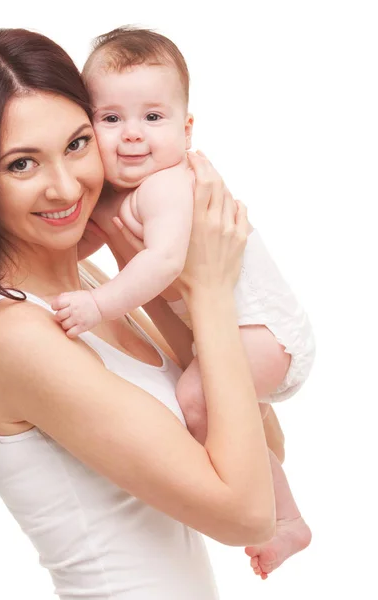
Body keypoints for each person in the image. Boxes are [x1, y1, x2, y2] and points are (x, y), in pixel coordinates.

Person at [0, 28, 280, 599]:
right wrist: (212, 293)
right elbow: (247, 516)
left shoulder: (96, 287)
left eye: (76, 144)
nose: (65, 185)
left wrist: (161, 269)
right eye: (22, 165)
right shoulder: (14, 336)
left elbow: (263, 451)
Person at [52, 27, 314, 579]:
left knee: (196, 403)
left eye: (153, 118)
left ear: (186, 128)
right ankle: (274, 494)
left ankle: (285, 519)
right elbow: (79, 244)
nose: (132, 137)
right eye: (111, 118)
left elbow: (165, 262)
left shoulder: (168, 185)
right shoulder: (116, 194)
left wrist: (97, 305)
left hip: (263, 331)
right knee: (214, 405)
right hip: (226, 331)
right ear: (86, 125)